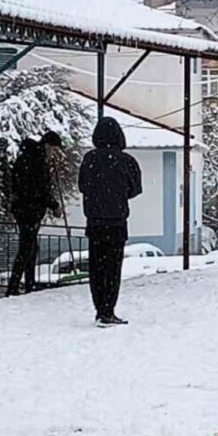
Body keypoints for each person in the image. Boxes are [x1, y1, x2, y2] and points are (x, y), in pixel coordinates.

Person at [79, 117, 142, 326]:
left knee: (97, 268)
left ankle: (99, 309)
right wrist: (117, 195)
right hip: (117, 222)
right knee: (113, 268)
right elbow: (135, 190)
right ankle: (109, 309)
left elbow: (82, 186)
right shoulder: (126, 161)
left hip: (94, 222)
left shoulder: (89, 159)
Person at [6, 131, 63, 296]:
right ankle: (15, 287)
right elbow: (41, 189)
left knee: (30, 247)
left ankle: (26, 284)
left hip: (23, 209)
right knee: (27, 248)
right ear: (47, 145)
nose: (54, 154)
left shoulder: (26, 157)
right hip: (29, 210)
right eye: (53, 149)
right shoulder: (37, 161)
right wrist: (54, 206)